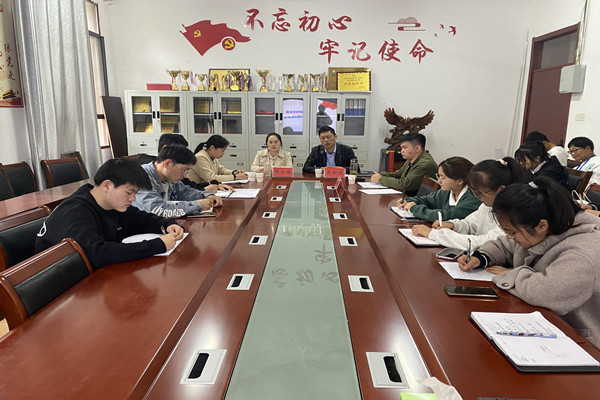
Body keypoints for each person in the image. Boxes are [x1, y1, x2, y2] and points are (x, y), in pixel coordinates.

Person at [457, 177, 600, 347]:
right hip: (539, 322)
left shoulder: (583, 252)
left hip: (577, 340)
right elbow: (506, 245)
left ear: (542, 225)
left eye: (513, 232)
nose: (510, 237)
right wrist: (481, 257)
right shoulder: (542, 227)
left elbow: (545, 293)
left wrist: (511, 274)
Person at [34, 158, 185, 269]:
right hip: (59, 285)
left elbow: (142, 220)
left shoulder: (113, 204)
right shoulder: (76, 211)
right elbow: (97, 254)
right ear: (107, 185)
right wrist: (158, 245)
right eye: (129, 192)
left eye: (135, 193)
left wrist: (167, 224)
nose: (133, 199)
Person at [414, 157, 530, 249]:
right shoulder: (487, 206)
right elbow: (470, 224)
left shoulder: (514, 215)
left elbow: (482, 242)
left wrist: (433, 234)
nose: (477, 198)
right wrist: (452, 225)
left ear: (500, 190)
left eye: (480, 193)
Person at [132, 144, 222, 218]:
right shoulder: (142, 177)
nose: (185, 175)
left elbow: (185, 192)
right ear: (168, 163)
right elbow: (157, 210)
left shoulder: (168, 176)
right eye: (184, 170)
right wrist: (197, 205)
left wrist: (206, 195)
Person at [398, 156, 480, 223]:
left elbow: (446, 216)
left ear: (460, 181)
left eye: (443, 178)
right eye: (439, 176)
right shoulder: (448, 191)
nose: (439, 180)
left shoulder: (473, 198)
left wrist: (414, 208)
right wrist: (410, 201)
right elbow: (428, 200)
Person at [371, 132, 437, 196]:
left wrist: (380, 179)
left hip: (417, 199)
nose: (402, 151)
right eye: (401, 148)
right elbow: (397, 174)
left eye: (405, 147)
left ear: (417, 148)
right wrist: (380, 175)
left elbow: (405, 184)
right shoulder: (412, 158)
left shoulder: (425, 164)